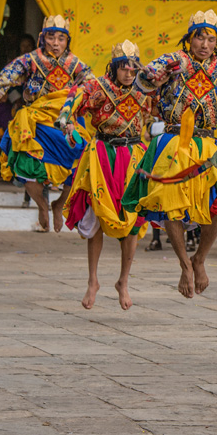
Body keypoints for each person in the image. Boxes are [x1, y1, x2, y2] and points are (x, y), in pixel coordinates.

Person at [123, 10, 217, 298]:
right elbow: (144, 79)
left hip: (209, 145)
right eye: (199, 37)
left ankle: (200, 259)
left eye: (210, 39)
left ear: (216, 43)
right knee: (171, 205)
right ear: (189, 39)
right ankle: (184, 264)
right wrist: (165, 69)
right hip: (172, 142)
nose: (205, 44)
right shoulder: (176, 61)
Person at [0, 15, 94, 233]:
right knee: (26, 168)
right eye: (51, 37)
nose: (56, 43)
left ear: (67, 41)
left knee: (81, 163)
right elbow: (5, 79)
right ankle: (42, 205)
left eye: (61, 38)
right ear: (43, 38)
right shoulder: (29, 60)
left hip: (64, 123)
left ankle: (59, 205)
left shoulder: (76, 65)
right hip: (34, 123)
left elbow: (94, 88)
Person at [61, 40, 156, 310]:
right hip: (101, 153)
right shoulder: (98, 86)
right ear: (114, 68)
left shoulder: (146, 90)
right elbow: (73, 98)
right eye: (123, 68)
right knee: (96, 215)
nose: (128, 74)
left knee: (133, 218)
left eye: (132, 69)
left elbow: (167, 108)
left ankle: (123, 282)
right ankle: (93, 280)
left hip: (134, 155)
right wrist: (66, 119)